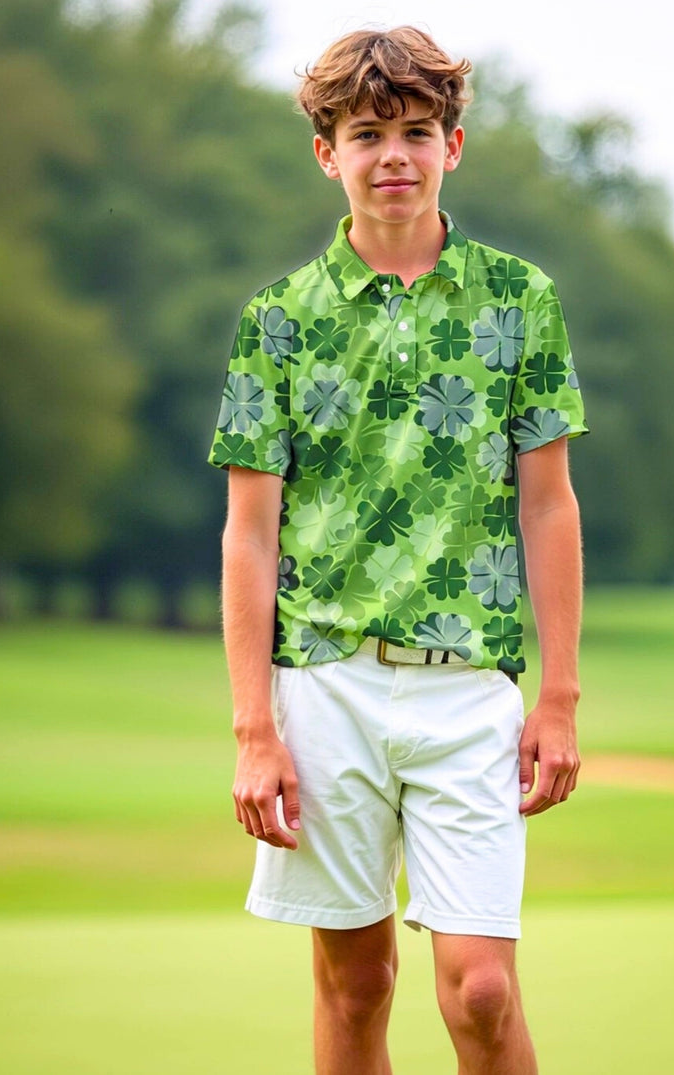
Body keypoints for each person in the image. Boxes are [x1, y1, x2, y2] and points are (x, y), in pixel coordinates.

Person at [208, 25, 588, 1075]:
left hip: (467, 687)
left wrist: (556, 697)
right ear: (325, 151)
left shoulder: (519, 300)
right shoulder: (275, 321)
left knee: (478, 989)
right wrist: (253, 727)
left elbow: (547, 507)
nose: (393, 155)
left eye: (417, 131)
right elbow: (249, 532)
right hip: (321, 684)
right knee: (356, 985)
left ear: (452, 146)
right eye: (366, 132)